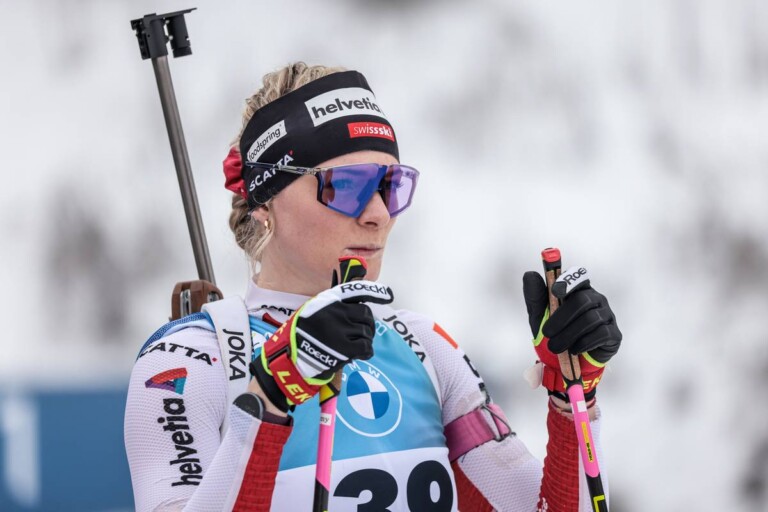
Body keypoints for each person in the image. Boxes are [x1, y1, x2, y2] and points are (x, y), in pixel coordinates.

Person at [124, 62, 622, 511]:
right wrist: (271, 395)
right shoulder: (191, 359)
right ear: (264, 200)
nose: (379, 214)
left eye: (391, 186)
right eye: (346, 185)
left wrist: (571, 399)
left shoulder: (421, 345)